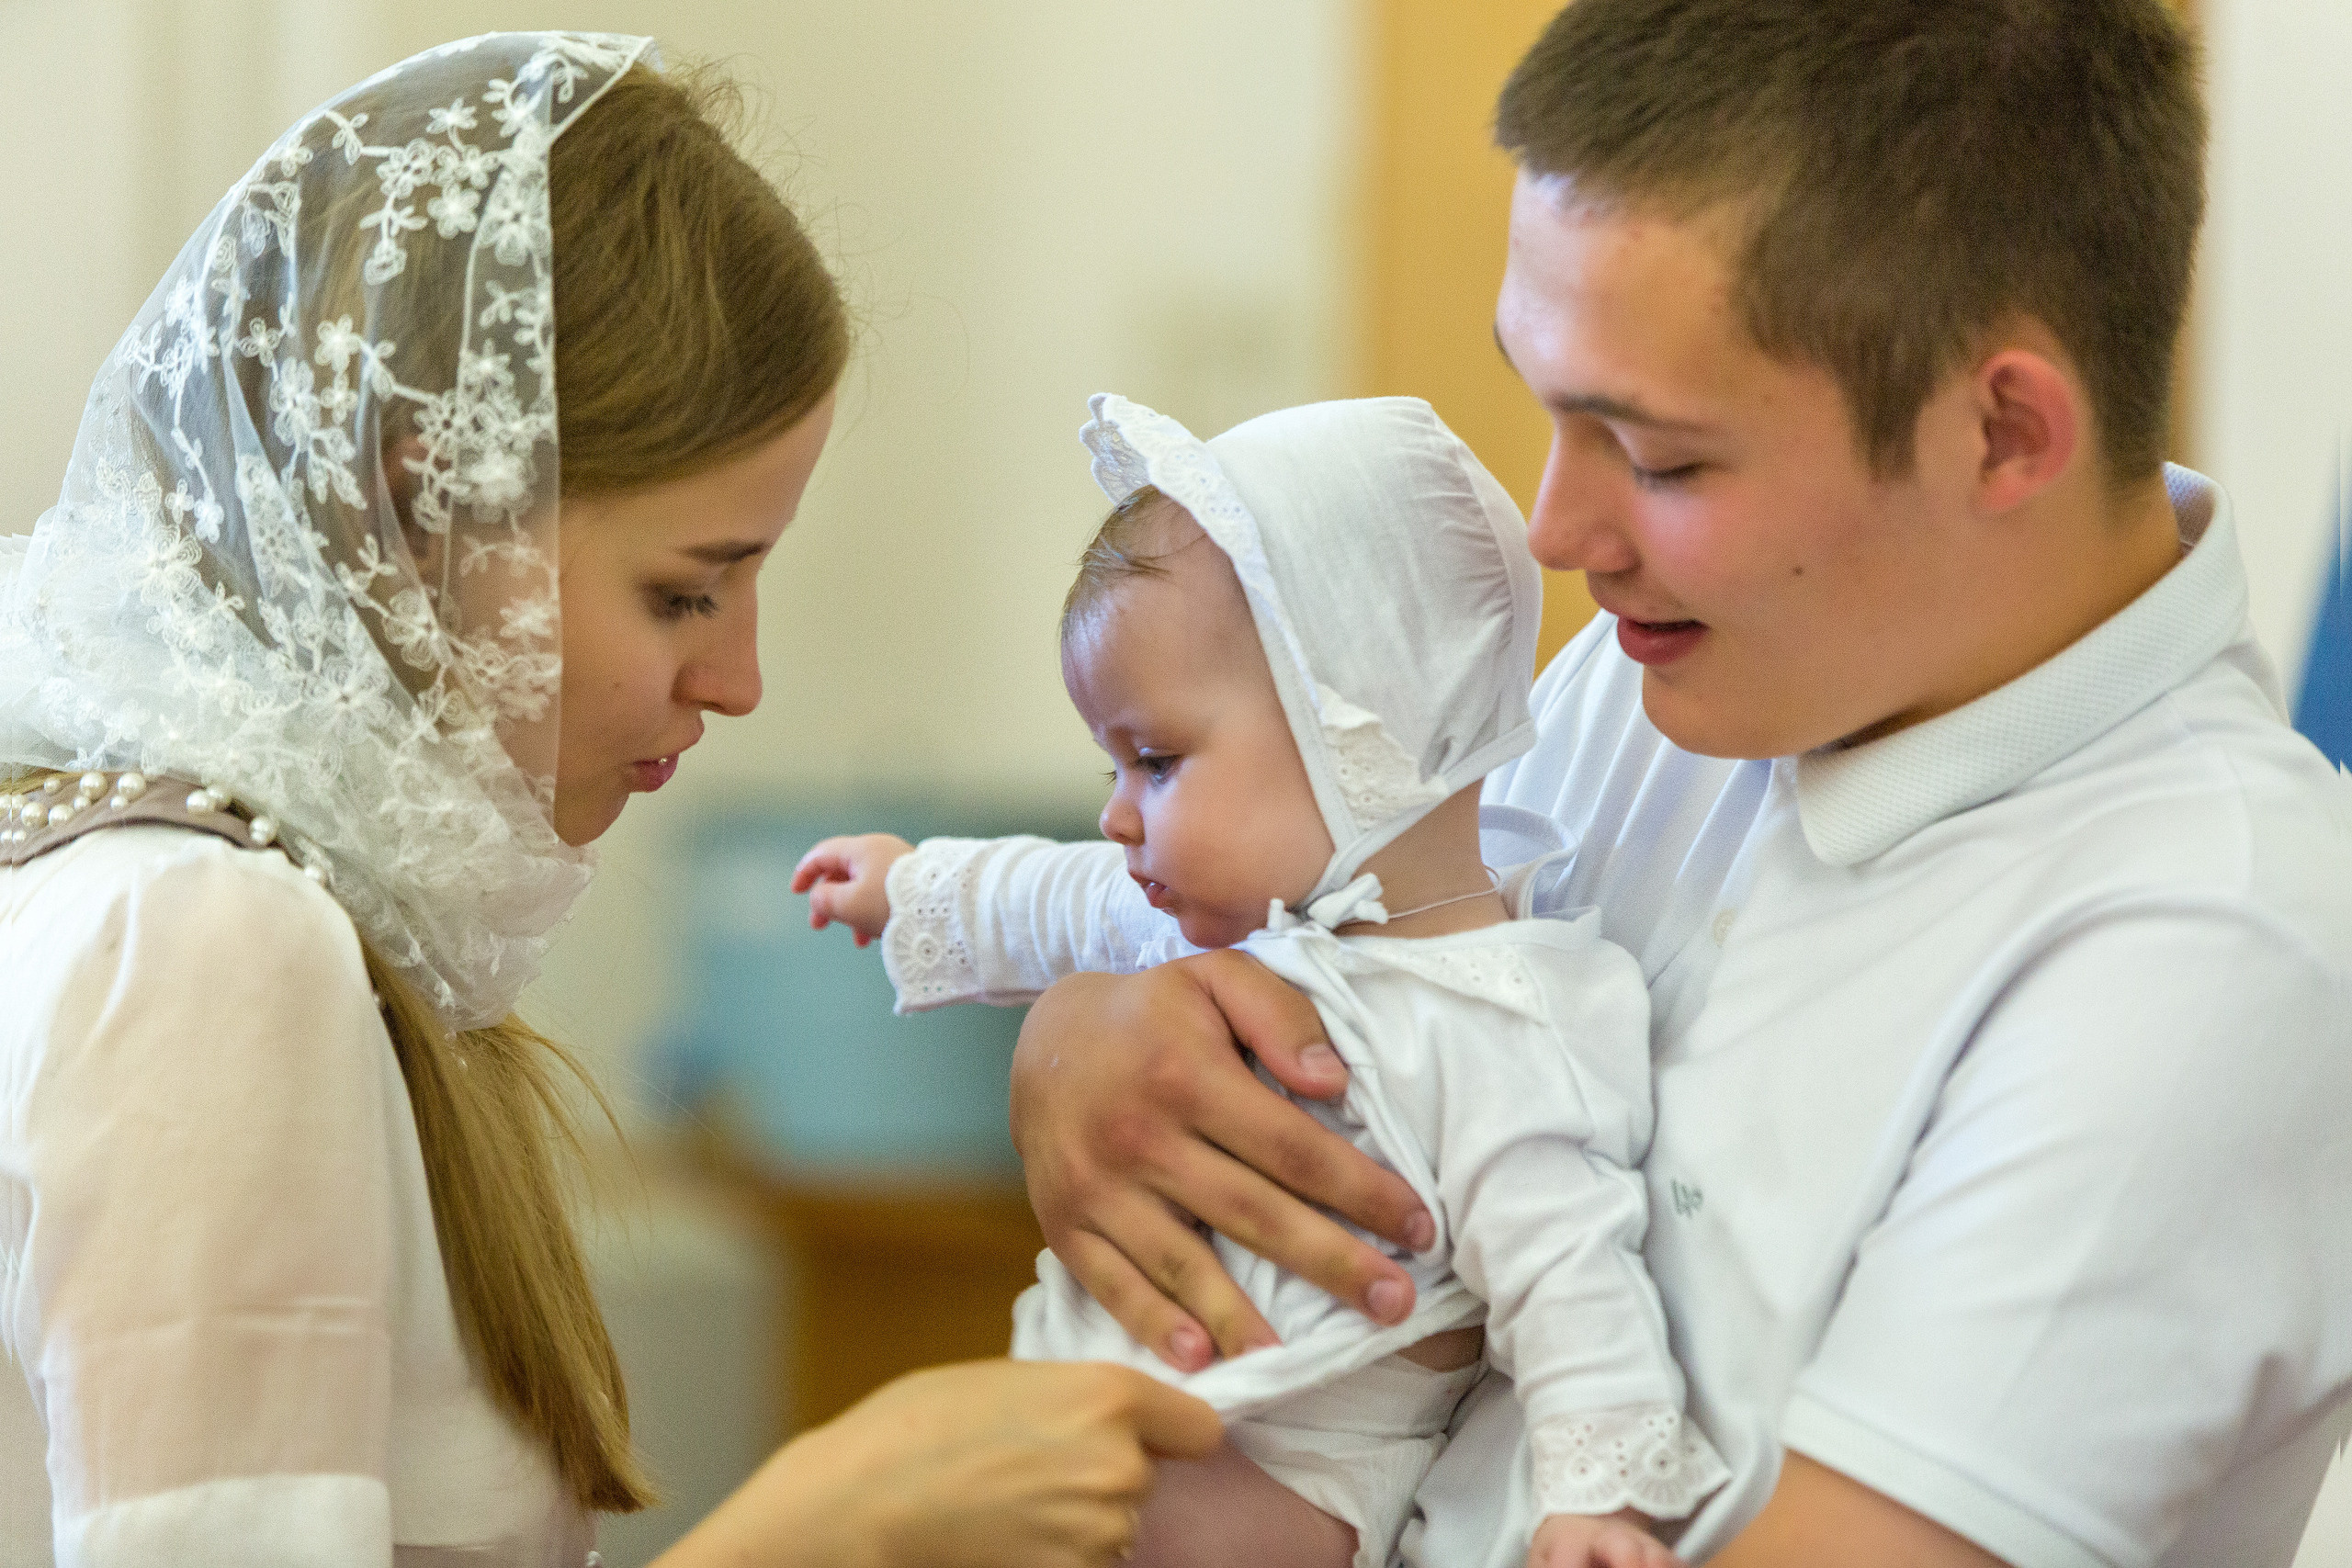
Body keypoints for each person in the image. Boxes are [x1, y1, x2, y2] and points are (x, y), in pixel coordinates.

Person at [996, 3, 2352, 1565]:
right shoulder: (1659, 684)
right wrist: (1098, 1035)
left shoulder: (2220, 946)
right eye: (1550, 407)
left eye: (1661, 457)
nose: (1558, 529)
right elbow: (1344, 992)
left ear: (2002, 431)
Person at [0, 32, 1215, 1568]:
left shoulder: (210, 906)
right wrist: (842, 1522)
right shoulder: (198, 942)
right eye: (686, 591)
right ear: (420, 509)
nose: (740, 679)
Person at [797, 394, 1726, 1568]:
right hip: (1111, 1412)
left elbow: (1568, 1268)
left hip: (1289, 1475)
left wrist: (1596, 1499)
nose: (1115, 813)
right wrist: (914, 885)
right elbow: (1058, 896)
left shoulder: (1497, 1017)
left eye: (1156, 759)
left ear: (1362, 727)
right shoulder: (1228, 929)